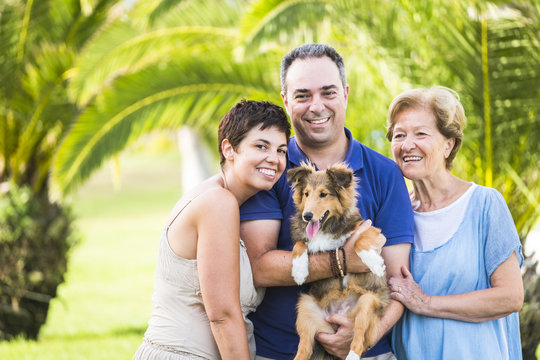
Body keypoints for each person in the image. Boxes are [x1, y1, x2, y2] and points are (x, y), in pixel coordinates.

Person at [240, 43, 414, 360]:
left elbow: (399, 281)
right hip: (281, 352)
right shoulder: (270, 170)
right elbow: (259, 267)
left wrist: (366, 335)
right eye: (303, 95)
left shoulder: (384, 173)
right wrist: (340, 260)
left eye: (328, 93)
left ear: (345, 93)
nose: (316, 106)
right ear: (286, 100)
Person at [133, 99, 291, 360]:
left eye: (281, 150)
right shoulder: (219, 202)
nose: (273, 159)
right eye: (261, 146)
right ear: (229, 149)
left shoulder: (223, 200)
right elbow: (223, 316)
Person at [385, 86, 524, 359]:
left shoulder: (484, 205)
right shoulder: (395, 214)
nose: (406, 144)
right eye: (399, 135)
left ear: (448, 144)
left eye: (421, 133)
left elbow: (510, 297)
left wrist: (425, 303)